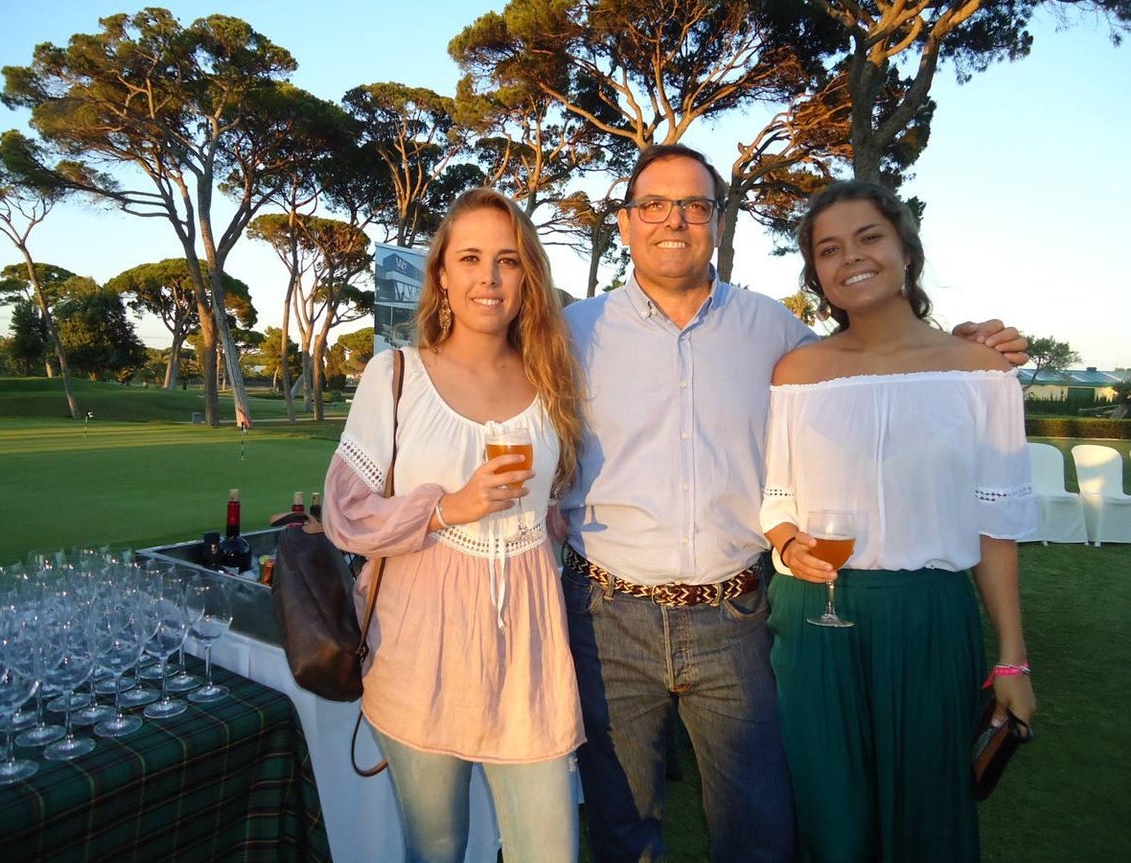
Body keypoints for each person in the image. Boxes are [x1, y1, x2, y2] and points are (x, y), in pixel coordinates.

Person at [556, 143, 1029, 863]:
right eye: (653, 204)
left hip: (736, 617)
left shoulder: (776, 333)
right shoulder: (570, 334)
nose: (673, 220)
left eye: (694, 205)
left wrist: (962, 343)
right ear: (625, 222)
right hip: (605, 617)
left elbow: (875, 357)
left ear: (718, 220)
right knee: (625, 826)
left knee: (760, 832)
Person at [759, 179, 1037, 862]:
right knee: (829, 820)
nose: (850, 257)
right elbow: (776, 497)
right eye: (829, 249)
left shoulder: (981, 371)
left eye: (868, 237)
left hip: (929, 619)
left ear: (906, 251)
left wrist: (1012, 656)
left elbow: (993, 529)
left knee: (927, 821)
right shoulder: (796, 371)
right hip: (812, 619)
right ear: (817, 274)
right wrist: (787, 541)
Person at [322, 188, 584, 863]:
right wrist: (447, 507)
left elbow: (553, 502)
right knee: (437, 850)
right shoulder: (397, 374)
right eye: (470, 258)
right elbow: (345, 514)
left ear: (528, 276)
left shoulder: (550, 378)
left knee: (548, 848)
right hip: (420, 645)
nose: (489, 278)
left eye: (507, 260)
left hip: (527, 646)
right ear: (441, 274)